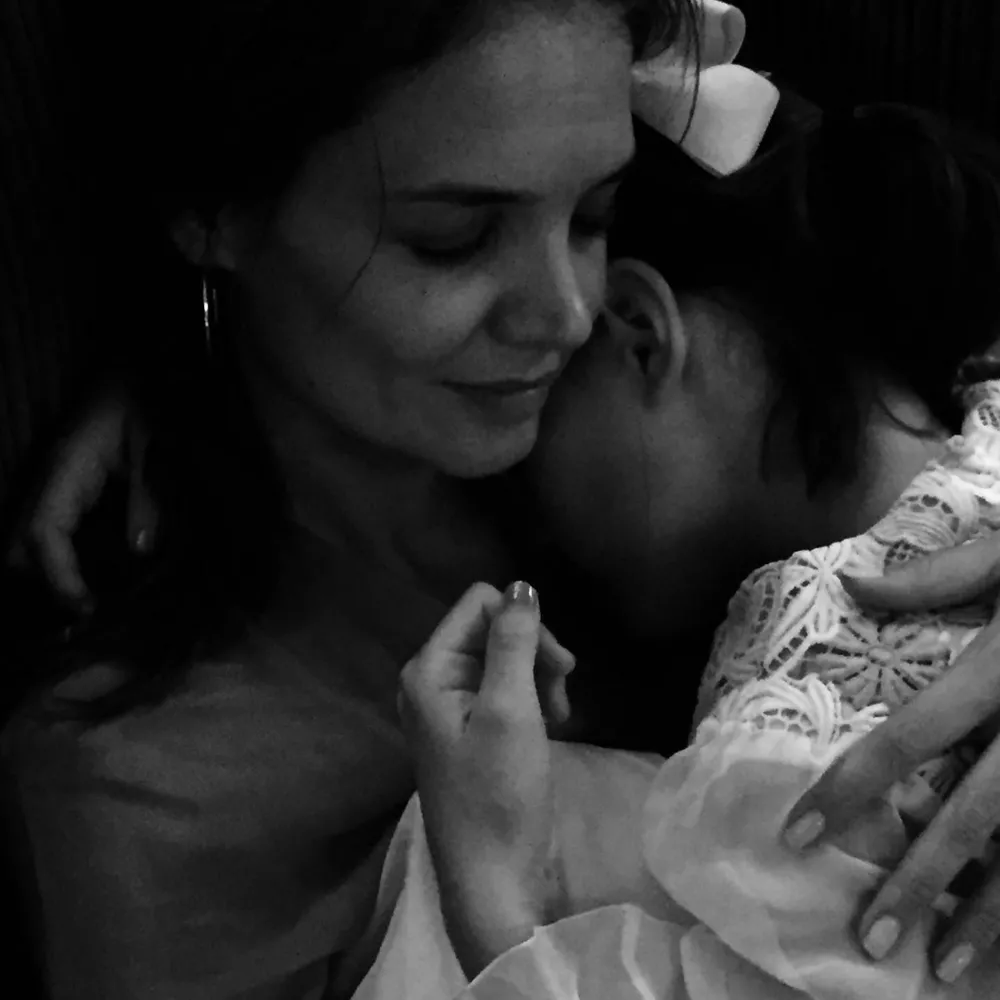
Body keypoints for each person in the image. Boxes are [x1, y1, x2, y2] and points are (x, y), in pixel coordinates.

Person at [0, 0, 705, 997]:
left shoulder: (645, 389)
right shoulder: (140, 783)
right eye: (453, 239)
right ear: (216, 211)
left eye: (593, 215)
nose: (569, 313)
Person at [371, 97, 1000, 997]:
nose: (526, 541)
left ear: (635, 332)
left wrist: (496, 903)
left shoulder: (795, 725)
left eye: (523, 419)